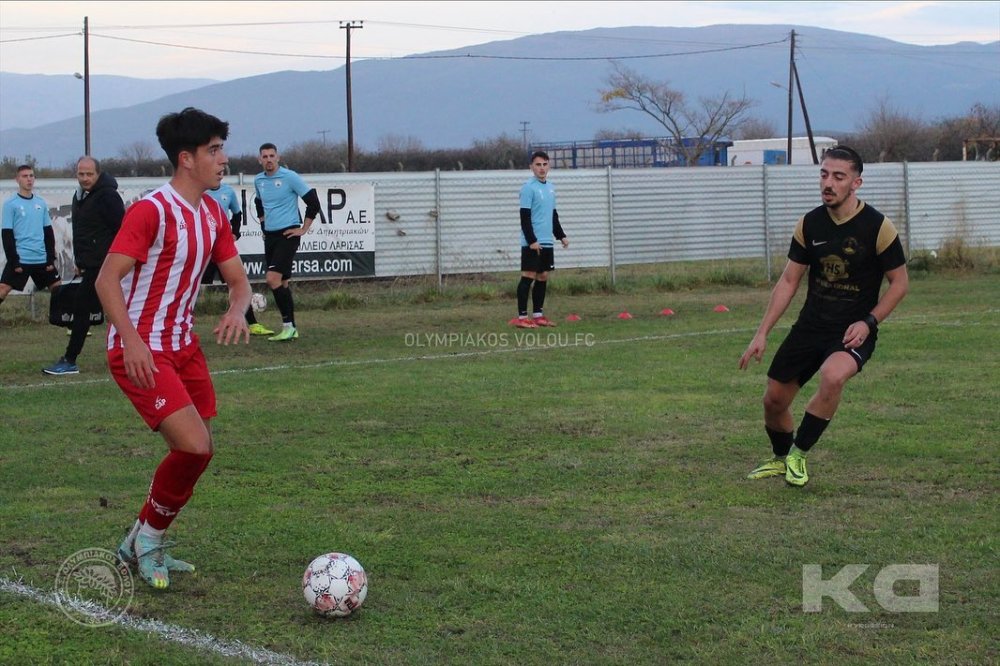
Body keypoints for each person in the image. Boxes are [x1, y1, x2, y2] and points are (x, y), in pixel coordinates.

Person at [95, 107, 251, 589]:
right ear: (186, 159)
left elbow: (240, 282)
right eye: (214, 150)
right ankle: (150, 538)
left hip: (184, 347)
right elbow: (106, 281)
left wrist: (236, 309)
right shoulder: (151, 211)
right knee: (193, 444)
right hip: (141, 349)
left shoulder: (213, 213)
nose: (223, 159)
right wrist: (133, 340)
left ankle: (139, 537)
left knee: (199, 452)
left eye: (222, 148)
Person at [738, 146, 909, 487]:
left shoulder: (878, 227)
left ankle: (799, 454)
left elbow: (900, 283)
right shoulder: (810, 223)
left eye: (838, 176)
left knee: (833, 376)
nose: (828, 183)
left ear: (856, 183)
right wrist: (762, 333)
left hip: (852, 330)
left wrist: (868, 322)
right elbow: (789, 281)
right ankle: (782, 458)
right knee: (774, 400)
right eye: (824, 174)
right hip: (811, 326)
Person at [42, 157, 125, 375]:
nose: (85, 178)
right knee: (96, 309)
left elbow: (122, 230)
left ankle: (70, 360)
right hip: (91, 265)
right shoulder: (80, 196)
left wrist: (116, 262)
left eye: (89, 174)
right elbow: (83, 233)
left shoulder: (108, 197)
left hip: (106, 265)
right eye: (81, 174)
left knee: (84, 308)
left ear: (98, 174)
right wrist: (80, 262)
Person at [253, 143, 320, 341]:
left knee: (272, 279)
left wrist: (303, 229)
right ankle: (292, 328)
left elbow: (313, 202)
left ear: (278, 157)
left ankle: (287, 326)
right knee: (282, 282)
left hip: (288, 234)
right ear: (260, 160)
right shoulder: (259, 180)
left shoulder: (289, 177)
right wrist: (264, 226)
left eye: (272, 156)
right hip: (271, 236)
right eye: (264, 156)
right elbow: (258, 203)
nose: (268, 160)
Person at [200, 182, 271, 335]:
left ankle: (252, 325)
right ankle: (179, 325)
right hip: (204, 247)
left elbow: (237, 214)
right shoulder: (200, 192)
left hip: (221, 247)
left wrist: (235, 232)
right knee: (191, 285)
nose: (219, 173)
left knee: (238, 283)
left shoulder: (228, 192)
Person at [509, 150, 568, 329]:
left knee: (542, 277)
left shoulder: (550, 187)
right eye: (538, 165)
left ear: (549, 166)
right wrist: (532, 240)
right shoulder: (528, 187)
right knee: (528, 276)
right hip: (532, 242)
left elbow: (553, 214)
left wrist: (561, 235)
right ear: (531, 167)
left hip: (547, 241)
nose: (541, 168)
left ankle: (538, 316)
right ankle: (521, 318)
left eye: (544, 164)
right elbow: (524, 217)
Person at [1, 165, 61, 312]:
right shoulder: (10, 204)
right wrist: (14, 260)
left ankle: (68, 324)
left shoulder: (40, 203)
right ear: (17, 180)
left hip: (40, 258)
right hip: (22, 259)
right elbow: (7, 234)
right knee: (3, 289)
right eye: (25, 176)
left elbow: (48, 232)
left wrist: (50, 258)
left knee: (59, 289)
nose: (29, 179)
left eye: (31, 176)